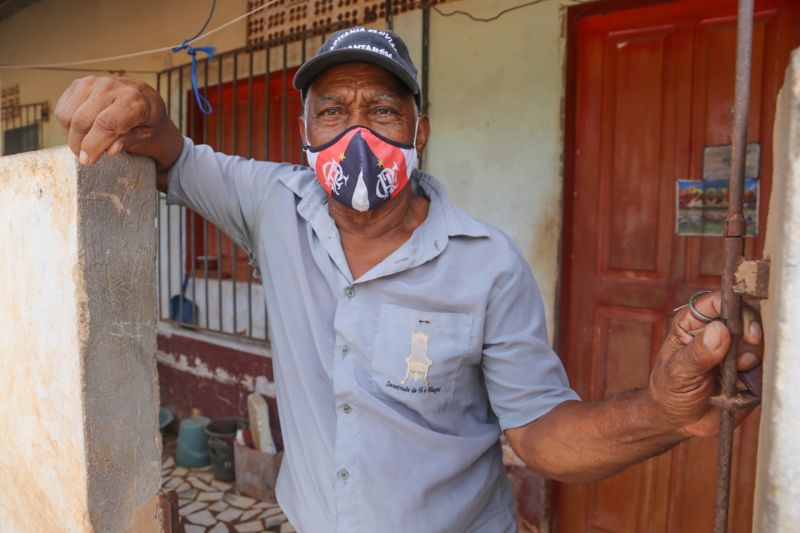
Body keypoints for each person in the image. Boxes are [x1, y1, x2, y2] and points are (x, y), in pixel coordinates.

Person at [55, 27, 763, 533]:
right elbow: (168, 152)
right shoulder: (272, 202)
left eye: (382, 109)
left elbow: (542, 433)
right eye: (332, 110)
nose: (354, 132)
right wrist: (138, 107)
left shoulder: (488, 266)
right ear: (304, 130)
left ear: (420, 131)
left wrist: (665, 412)